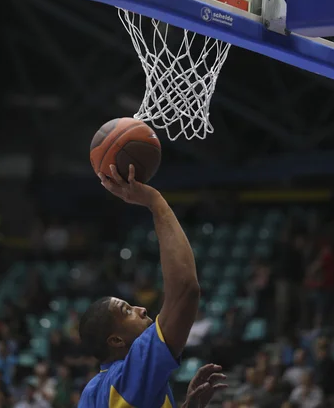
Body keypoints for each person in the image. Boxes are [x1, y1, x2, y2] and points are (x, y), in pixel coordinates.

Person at [78, 164, 226, 408]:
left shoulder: (92, 391)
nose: (142, 309)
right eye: (127, 311)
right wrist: (155, 202)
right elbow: (185, 290)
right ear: (115, 341)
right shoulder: (129, 375)